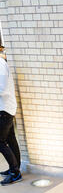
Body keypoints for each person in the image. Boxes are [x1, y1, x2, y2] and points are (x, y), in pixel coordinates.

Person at [0, 46, 21, 185]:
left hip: (4, 109)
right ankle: (15, 167)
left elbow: (2, 89)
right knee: (10, 139)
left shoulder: (0, 64)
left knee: (0, 142)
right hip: (6, 108)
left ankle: (15, 172)